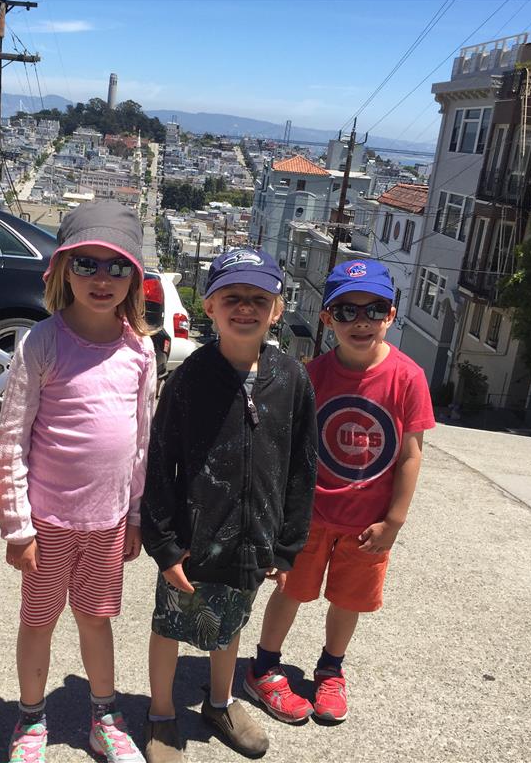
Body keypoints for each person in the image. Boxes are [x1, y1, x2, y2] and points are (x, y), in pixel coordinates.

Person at [0, 201, 157, 763]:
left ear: (134, 276)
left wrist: (136, 515)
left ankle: (103, 718)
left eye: (118, 266)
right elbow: (11, 437)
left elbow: (141, 441)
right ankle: (30, 718)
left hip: (108, 522)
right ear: (63, 270)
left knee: (96, 618)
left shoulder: (140, 350)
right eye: (86, 263)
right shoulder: (41, 342)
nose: (102, 278)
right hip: (47, 523)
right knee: (38, 622)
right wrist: (18, 525)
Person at [140, 247, 317, 762]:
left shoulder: (293, 378)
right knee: (169, 625)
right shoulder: (189, 378)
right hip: (191, 542)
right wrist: (164, 545)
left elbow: (303, 467)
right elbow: (159, 463)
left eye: (258, 299)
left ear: (277, 309)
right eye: (232, 297)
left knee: (231, 624)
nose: (245, 308)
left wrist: (287, 546)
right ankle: (161, 712)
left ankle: (220, 704)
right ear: (211, 307)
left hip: (255, 540)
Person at [248, 259, 436, 725]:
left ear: (391, 315)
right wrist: (279, 517)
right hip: (309, 515)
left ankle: (331, 670)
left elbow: (410, 454)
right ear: (327, 317)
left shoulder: (408, 377)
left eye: (374, 310)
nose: (361, 321)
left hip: (368, 522)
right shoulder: (311, 374)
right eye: (347, 311)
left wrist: (394, 520)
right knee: (290, 590)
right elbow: (288, 449)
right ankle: (264, 665)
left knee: (348, 599)